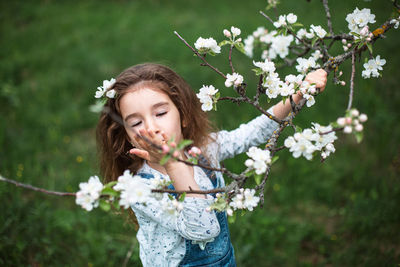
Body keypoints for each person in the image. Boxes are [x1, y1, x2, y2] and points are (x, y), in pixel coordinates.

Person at [96, 63, 327, 266]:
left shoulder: (204, 151)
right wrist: (172, 163)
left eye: (161, 113)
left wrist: (297, 96)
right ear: (127, 135)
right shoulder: (141, 188)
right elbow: (204, 229)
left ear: (183, 115)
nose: (150, 127)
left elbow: (252, 133)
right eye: (136, 122)